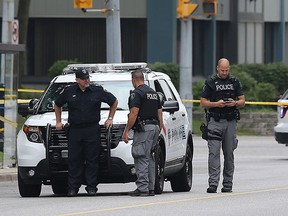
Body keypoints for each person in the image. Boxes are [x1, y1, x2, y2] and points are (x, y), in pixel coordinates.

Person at [54, 69, 118, 197]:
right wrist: (58, 121)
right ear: (77, 80)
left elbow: (114, 101)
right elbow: (57, 104)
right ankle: (73, 188)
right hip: (75, 129)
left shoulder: (97, 90)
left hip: (92, 129)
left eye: (88, 78)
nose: (87, 80)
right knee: (74, 159)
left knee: (92, 159)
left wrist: (110, 118)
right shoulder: (69, 91)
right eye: (84, 79)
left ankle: (91, 187)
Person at [200, 58, 245, 193]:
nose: (224, 72)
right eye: (222, 70)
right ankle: (213, 183)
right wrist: (216, 104)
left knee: (229, 154)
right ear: (217, 68)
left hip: (231, 121)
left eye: (227, 70)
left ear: (229, 68)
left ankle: (227, 184)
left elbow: (243, 100)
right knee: (213, 153)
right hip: (215, 121)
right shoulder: (210, 82)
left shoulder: (234, 81)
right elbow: (203, 102)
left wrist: (235, 103)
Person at [122, 69, 163, 197]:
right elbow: (159, 114)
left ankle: (142, 188)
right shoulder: (154, 93)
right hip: (155, 127)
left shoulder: (137, 93)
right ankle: (150, 187)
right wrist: (159, 129)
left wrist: (127, 130)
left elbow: (134, 113)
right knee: (149, 157)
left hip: (144, 128)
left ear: (133, 80)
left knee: (140, 156)